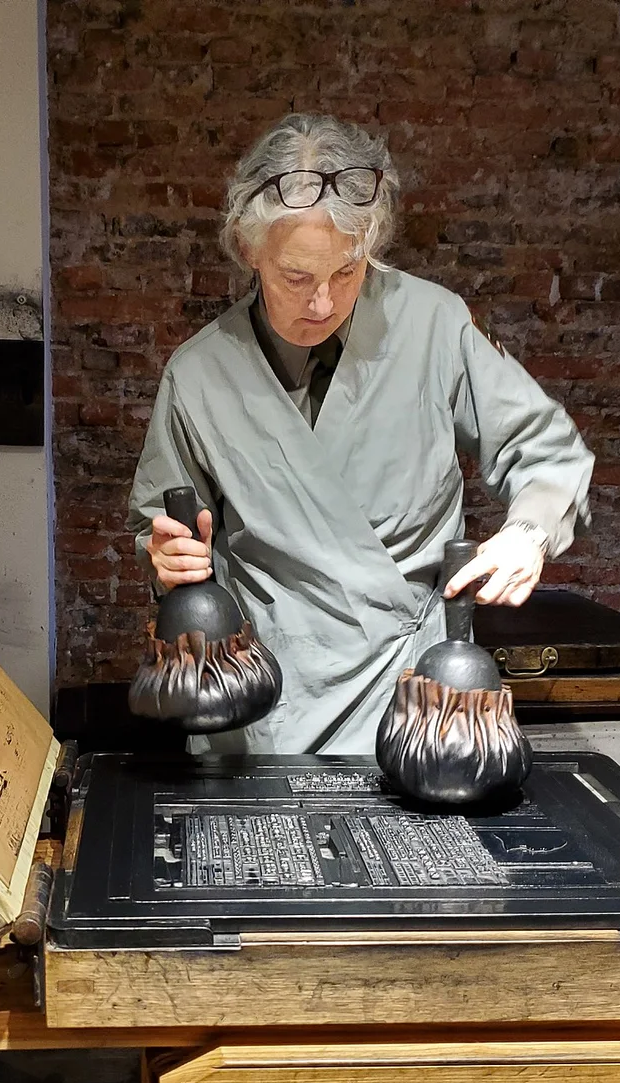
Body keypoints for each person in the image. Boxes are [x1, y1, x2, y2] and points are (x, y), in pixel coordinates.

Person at [128, 112, 592, 751]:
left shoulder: (434, 324)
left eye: (346, 273)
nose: (321, 303)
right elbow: (161, 530)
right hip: (265, 703)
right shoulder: (199, 374)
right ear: (247, 250)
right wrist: (167, 561)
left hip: (415, 701)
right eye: (296, 278)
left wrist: (529, 532)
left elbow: (549, 452)